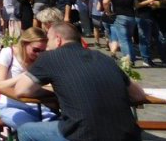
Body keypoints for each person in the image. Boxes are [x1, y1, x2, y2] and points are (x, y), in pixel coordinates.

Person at [11, 21, 145, 141]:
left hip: (84, 134)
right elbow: (138, 95)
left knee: (25, 130)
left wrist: (52, 94)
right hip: (127, 135)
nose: (47, 46)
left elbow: (21, 90)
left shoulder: (51, 57)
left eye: (49, 40)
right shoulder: (104, 58)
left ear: (58, 39)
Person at [0, 27, 55, 130]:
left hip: (40, 106)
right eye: (35, 50)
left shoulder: (42, 59)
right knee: (31, 129)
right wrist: (25, 76)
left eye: (43, 51)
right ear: (24, 44)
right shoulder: (8, 53)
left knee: (58, 129)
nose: (39, 54)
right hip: (13, 106)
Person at [104, 0, 141, 66]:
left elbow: (105, 2)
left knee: (123, 40)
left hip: (120, 17)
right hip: (131, 17)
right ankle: (132, 59)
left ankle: (127, 61)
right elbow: (137, 5)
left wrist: (108, 12)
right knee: (128, 39)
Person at [134, 0, 158, 68]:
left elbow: (152, 0)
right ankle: (146, 59)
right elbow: (136, 5)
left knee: (150, 39)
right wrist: (148, 1)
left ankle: (148, 58)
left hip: (149, 16)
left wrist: (151, 2)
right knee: (144, 38)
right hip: (141, 17)